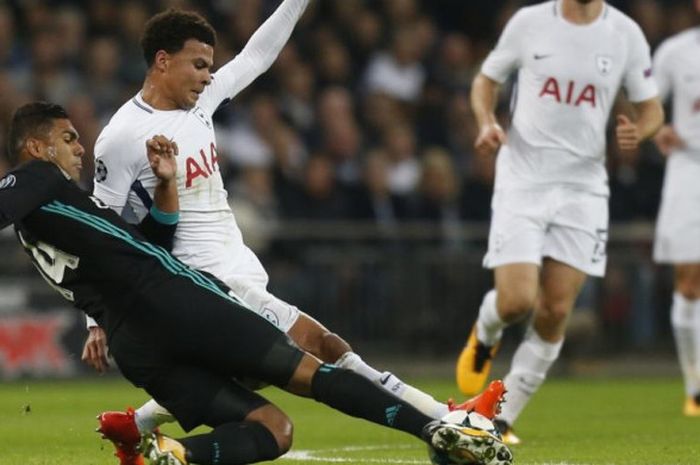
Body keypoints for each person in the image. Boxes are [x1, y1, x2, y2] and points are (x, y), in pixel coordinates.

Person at [1, 101, 513, 465]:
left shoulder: (48, 216)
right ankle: (438, 429)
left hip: (136, 346)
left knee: (275, 430)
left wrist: (166, 183)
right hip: (177, 303)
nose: (79, 147)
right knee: (309, 369)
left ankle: (174, 455)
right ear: (35, 147)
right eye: (67, 138)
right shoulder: (37, 179)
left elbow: (150, 241)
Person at [80, 4, 472, 460]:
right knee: (323, 346)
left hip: (240, 266)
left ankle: (135, 425)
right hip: (207, 282)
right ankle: (441, 420)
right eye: (199, 65)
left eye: (210, 66)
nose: (209, 76)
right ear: (163, 60)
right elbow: (98, 227)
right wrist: (95, 321)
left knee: (248, 375)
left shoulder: (200, 103)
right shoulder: (121, 136)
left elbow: (255, 56)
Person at [455, 0, 664, 444]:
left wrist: (639, 131)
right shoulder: (530, 23)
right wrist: (486, 122)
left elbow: (652, 110)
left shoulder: (625, 34)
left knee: (554, 311)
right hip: (524, 179)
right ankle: (486, 330)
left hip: (583, 190)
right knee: (516, 301)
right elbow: (485, 81)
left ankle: (501, 417)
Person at [651, 0, 700, 418]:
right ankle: (695, 386)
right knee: (689, 282)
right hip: (690, 170)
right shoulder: (675, 51)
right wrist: (655, 125)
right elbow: (644, 100)